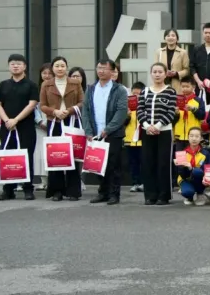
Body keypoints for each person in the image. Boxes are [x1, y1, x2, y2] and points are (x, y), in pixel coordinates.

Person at [0, 54, 40, 201]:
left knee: (26, 156)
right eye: (12, 63)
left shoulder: (31, 85)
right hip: (7, 127)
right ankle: (8, 190)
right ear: (9, 66)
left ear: (24, 66)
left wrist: (16, 120)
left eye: (19, 63)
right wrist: (7, 120)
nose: (15, 66)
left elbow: (32, 104)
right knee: (8, 157)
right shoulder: (3, 85)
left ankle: (28, 189)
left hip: (25, 127)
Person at [84, 59, 129, 206]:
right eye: (99, 68)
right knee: (98, 164)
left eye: (104, 68)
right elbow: (86, 111)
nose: (101, 71)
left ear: (112, 71)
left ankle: (114, 194)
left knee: (113, 165)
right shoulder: (91, 89)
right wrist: (88, 131)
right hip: (95, 133)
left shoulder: (119, 90)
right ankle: (102, 192)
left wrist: (108, 129)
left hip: (112, 133)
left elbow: (121, 112)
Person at [40, 56, 84, 202]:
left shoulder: (75, 83)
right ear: (52, 68)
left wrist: (69, 110)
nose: (60, 68)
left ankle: (73, 191)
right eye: (57, 66)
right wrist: (54, 112)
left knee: (73, 156)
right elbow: (42, 105)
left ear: (66, 67)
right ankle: (57, 191)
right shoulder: (46, 84)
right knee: (57, 156)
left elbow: (82, 102)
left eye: (62, 66)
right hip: (55, 123)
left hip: (71, 122)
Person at [137, 62, 179, 205]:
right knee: (148, 163)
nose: (157, 74)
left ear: (165, 74)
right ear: (151, 74)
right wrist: (147, 126)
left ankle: (163, 195)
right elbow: (140, 110)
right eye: (154, 72)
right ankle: (150, 195)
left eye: (160, 72)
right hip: (147, 132)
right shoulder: (145, 91)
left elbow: (171, 112)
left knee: (163, 164)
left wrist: (158, 125)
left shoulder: (170, 91)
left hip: (164, 132)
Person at [175, 127, 210, 206]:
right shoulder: (182, 153)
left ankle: (200, 194)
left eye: (197, 136)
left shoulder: (206, 153)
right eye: (191, 136)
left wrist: (192, 168)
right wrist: (186, 168)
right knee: (187, 192)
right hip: (185, 178)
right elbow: (181, 173)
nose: (194, 139)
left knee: (197, 172)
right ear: (188, 137)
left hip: (199, 179)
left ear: (201, 138)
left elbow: (205, 170)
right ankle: (189, 196)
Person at [172, 76, 206, 154]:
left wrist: (193, 109)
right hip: (179, 136)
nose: (185, 89)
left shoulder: (198, 100)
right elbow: (172, 121)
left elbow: (202, 116)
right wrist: (176, 114)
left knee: (193, 157)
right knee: (180, 159)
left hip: (194, 137)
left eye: (187, 86)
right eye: (183, 87)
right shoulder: (177, 100)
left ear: (193, 87)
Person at [33, 63, 53, 190]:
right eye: (44, 73)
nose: (47, 75)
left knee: (53, 152)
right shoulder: (36, 89)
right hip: (40, 126)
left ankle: (53, 181)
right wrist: (40, 121)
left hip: (54, 122)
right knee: (40, 154)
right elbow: (34, 107)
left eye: (49, 73)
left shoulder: (57, 88)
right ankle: (44, 181)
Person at [125, 81, 145, 193]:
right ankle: (134, 182)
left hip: (142, 139)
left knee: (143, 162)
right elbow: (123, 123)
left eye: (139, 94)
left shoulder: (145, 106)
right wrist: (127, 115)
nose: (136, 96)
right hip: (130, 139)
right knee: (133, 162)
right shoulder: (126, 106)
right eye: (134, 94)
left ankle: (143, 183)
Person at [156, 28, 190, 93]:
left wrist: (176, 74)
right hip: (162, 85)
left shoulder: (183, 52)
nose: (170, 37)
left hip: (177, 86)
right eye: (168, 36)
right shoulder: (159, 52)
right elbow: (155, 69)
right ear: (164, 38)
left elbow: (187, 70)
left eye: (173, 35)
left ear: (177, 38)